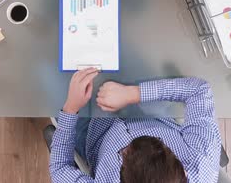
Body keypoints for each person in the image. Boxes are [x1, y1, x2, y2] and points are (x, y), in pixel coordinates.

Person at [49, 68, 222, 182]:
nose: (125, 146)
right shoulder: (201, 161)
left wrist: (71, 108)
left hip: (93, 135)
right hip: (145, 109)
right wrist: (133, 94)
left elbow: (59, 168)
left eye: (123, 154)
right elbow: (199, 91)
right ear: (183, 171)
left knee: (49, 76)